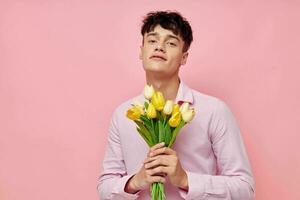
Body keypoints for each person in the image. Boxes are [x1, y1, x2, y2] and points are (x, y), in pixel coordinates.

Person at [97, 11, 255, 200]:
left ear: (184, 57)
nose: (160, 47)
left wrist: (185, 179)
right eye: (152, 40)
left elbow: (245, 189)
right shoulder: (124, 114)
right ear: (141, 51)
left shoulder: (214, 111)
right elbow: (104, 187)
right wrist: (135, 182)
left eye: (171, 43)